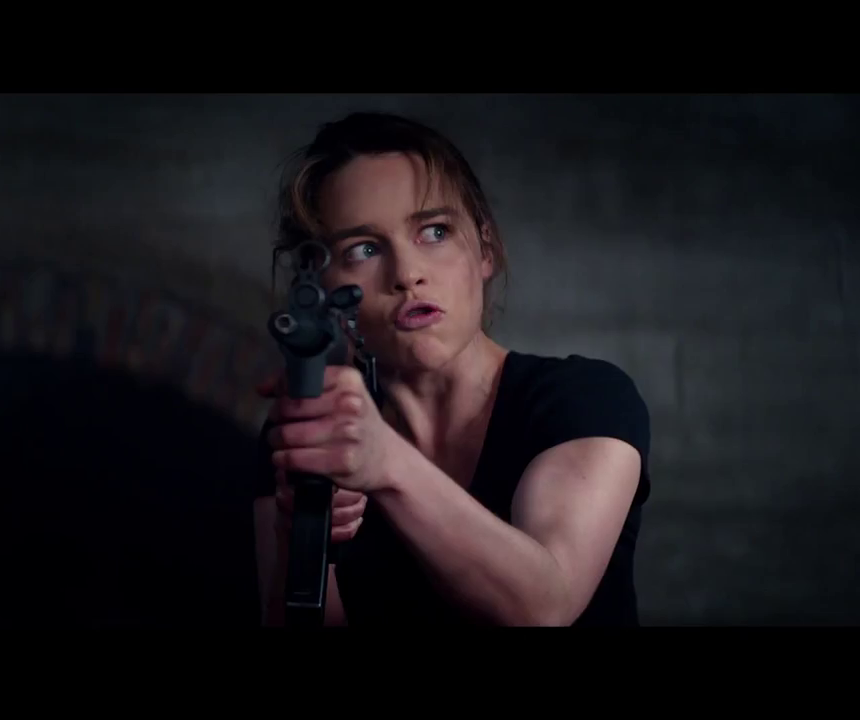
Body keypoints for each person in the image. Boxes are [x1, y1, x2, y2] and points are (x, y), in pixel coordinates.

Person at [251, 111, 651, 626]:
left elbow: (544, 606)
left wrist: (386, 462)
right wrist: (301, 532)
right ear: (324, 286)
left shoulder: (585, 398)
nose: (407, 274)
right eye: (364, 249)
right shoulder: (317, 431)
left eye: (435, 231)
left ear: (485, 248)